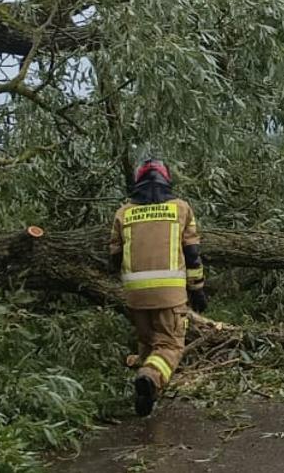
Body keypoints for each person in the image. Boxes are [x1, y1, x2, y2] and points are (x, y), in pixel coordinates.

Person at [108, 159, 208, 417]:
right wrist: (197, 289)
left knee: (148, 342)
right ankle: (150, 377)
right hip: (170, 294)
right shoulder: (181, 209)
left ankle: (147, 392)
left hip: (135, 295)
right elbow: (192, 253)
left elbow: (114, 255)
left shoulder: (123, 213)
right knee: (171, 346)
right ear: (167, 181)